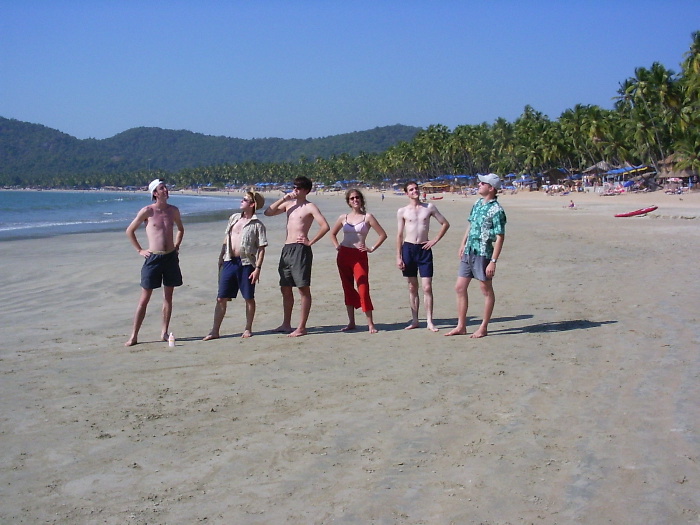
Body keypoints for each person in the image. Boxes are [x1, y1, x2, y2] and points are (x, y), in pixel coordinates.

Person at [264, 176, 330, 337]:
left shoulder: (310, 207)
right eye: (294, 187)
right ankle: (286, 324)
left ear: (306, 190)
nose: (295, 190)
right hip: (287, 248)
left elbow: (325, 226)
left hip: (301, 249)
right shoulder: (288, 205)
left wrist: (310, 241)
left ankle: (302, 327)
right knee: (285, 287)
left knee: (302, 287)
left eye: (298, 188)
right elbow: (268, 212)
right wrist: (284, 198)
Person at [445, 173, 506, 338]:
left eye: (482, 183)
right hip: (469, 251)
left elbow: (500, 236)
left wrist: (493, 261)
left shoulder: (497, 210)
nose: (479, 184)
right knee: (459, 287)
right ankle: (461, 326)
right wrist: (462, 244)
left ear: (491, 188)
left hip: (483, 253)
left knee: (485, 290)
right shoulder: (478, 203)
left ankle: (483, 327)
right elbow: (470, 225)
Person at [125, 179, 184, 346]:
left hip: (170, 257)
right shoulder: (147, 211)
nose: (166, 190)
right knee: (145, 297)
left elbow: (180, 228)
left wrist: (177, 245)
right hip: (154, 258)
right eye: (161, 188)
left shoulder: (173, 210)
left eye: (166, 187)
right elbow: (130, 231)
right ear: (155, 193)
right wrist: (140, 250)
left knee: (168, 296)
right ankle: (134, 335)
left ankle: (164, 332)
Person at [203, 191, 267, 340]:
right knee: (221, 297)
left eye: (245, 199)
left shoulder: (257, 225)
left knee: (248, 297)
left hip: (246, 264)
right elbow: (226, 239)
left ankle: (247, 328)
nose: (241, 201)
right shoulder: (234, 218)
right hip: (229, 261)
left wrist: (257, 268)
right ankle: (214, 331)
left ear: (252, 204)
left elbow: (262, 248)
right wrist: (221, 257)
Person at [329, 189, 388, 333]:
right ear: (348, 202)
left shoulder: (368, 217)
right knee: (347, 288)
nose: (355, 200)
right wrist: (337, 246)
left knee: (363, 288)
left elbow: (382, 235)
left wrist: (372, 248)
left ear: (361, 200)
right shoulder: (343, 217)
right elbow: (332, 233)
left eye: (357, 198)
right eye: (352, 198)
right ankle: (351, 322)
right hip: (344, 254)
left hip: (359, 255)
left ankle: (370, 324)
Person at [396, 181, 450, 331]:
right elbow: (399, 235)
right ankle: (415, 320)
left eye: (416, 189)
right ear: (406, 193)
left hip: (424, 249)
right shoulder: (402, 211)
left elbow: (445, 223)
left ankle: (429, 321)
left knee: (427, 287)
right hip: (408, 249)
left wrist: (435, 240)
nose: (415, 191)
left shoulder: (429, 207)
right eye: (411, 190)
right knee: (412, 286)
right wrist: (398, 256)